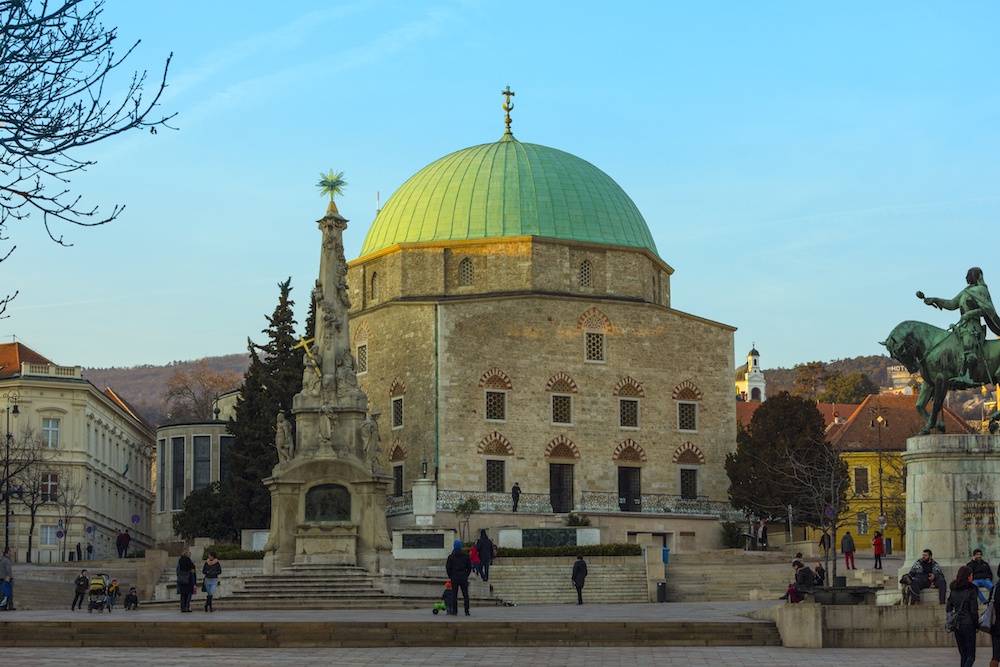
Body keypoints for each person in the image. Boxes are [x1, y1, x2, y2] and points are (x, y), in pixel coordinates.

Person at [921, 266, 1000, 387]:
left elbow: (988, 310)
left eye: (971, 274)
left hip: (973, 328)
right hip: (961, 327)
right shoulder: (966, 291)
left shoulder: (982, 290)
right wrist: (935, 300)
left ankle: (968, 376)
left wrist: (971, 313)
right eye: (968, 275)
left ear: (977, 276)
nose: (968, 277)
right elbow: (951, 304)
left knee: (969, 346)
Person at [947, 565, 979, 667]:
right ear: (968, 576)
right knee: (971, 656)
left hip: (957, 625)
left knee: (963, 655)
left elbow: (948, 607)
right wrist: (977, 625)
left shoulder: (953, 589)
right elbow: (973, 610)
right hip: (969, 624)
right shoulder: (972, 589)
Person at [445, 540, 472, 616]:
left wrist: (451, 576)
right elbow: (469, 567)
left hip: (454, 576)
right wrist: (466, 575)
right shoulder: (466, 556)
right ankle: (467, 611)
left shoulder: (451, 556)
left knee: (454, 595)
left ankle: (455, 611)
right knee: (465, 595)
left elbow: (448, 567)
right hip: (463, 576)